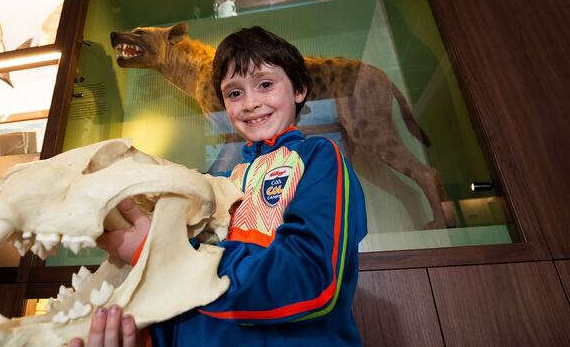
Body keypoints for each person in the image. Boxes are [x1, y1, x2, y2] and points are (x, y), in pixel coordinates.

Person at [71, 26, 367, 347]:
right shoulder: (222, 183)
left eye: (265, 85)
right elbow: (190, 301)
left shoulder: (319, 157)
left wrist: (164, 254)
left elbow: (309, 281)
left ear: (299, 89)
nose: (250, 103)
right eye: (234, 93)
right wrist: (143, 335)